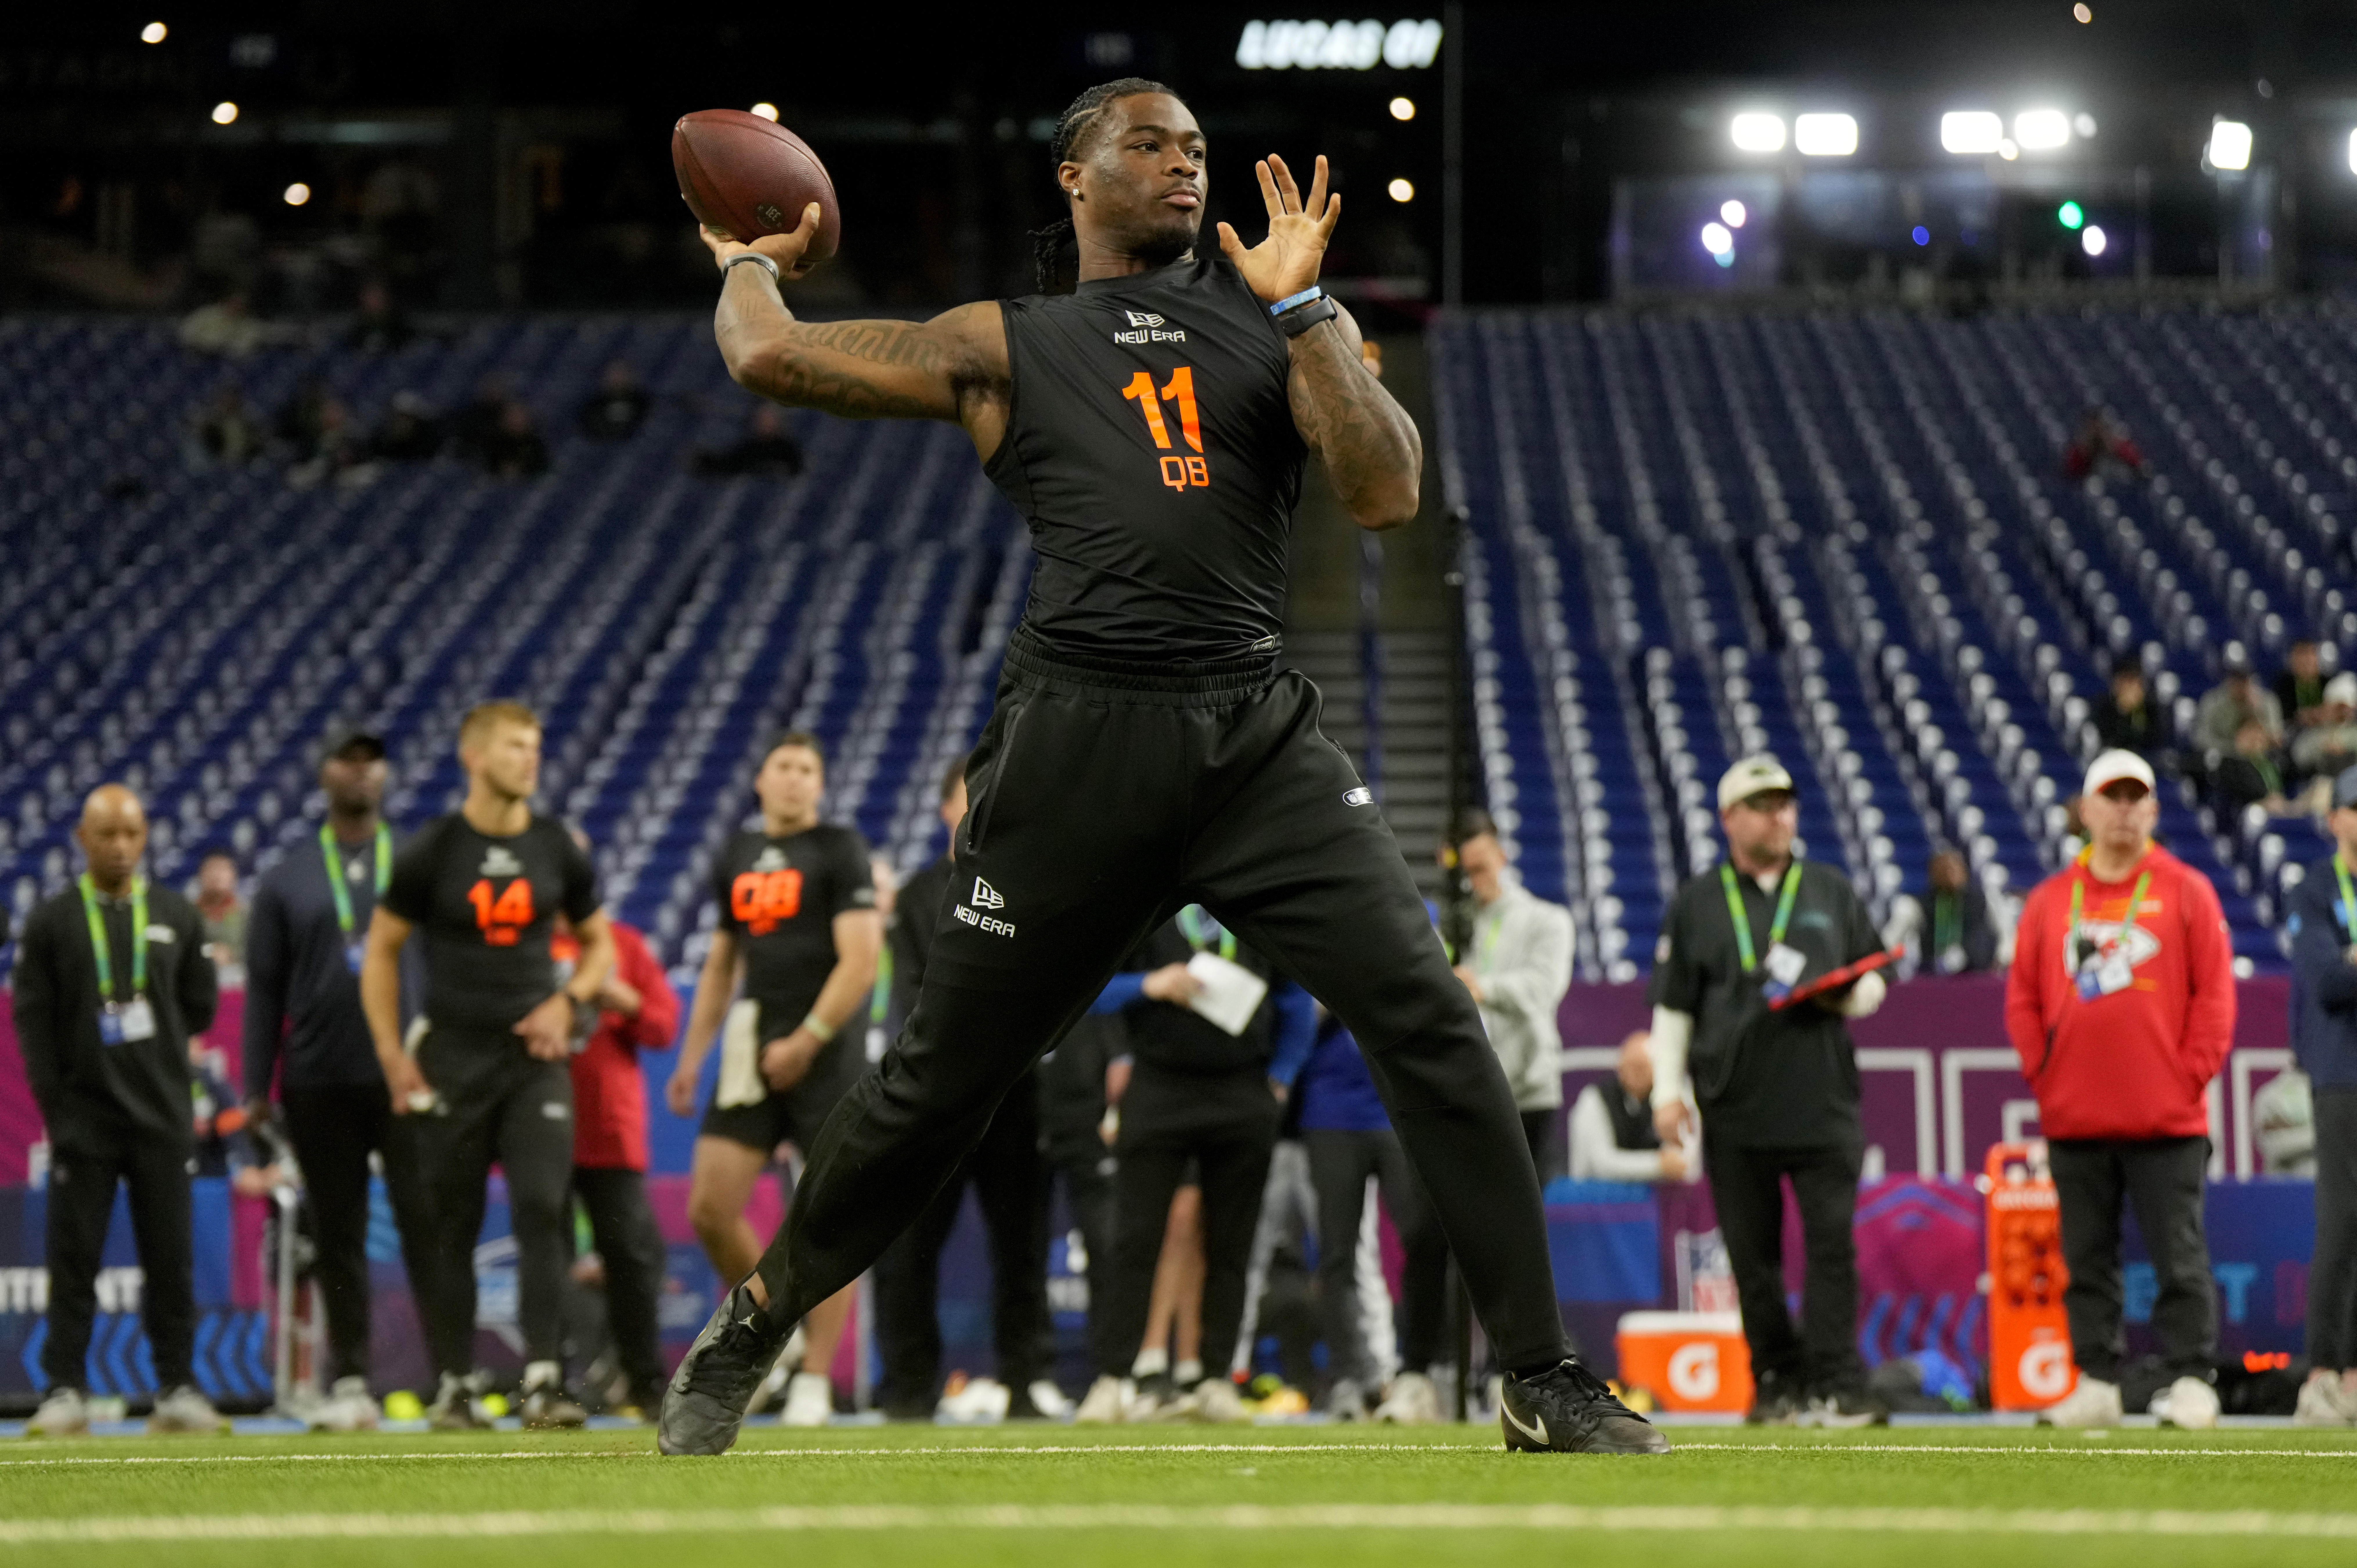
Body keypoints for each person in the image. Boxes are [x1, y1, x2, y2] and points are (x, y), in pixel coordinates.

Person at [662, 75, 1663, 1459]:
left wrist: (1309, 311)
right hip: (1076, 743)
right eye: (1148, 145)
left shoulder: (1282, 325)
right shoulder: (1005, 340)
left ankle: (1542, 1372)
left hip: (1252, 731)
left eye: (1196, 147)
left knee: (1433, 1014)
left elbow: (1384, 492)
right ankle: (756, 1317)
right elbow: (773, 359)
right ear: (1074, 179)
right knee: (937, 1084)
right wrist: (748, 263)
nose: (1183, 165)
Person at [362, 701, 615, 1430]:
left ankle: (543, 1379)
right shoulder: (432, 849)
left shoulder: (556, 846)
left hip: (534, 1060)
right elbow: (380, 950)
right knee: (452, 1221)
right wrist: (391, 1053)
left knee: (543, 1207)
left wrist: (570, 1002)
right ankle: (455, 1383)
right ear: (473, 756)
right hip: (451, 1059)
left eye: (535, 746)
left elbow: (598, 944)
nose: (530, 758)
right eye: (514, 747)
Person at [1648, 756, 1889, 1426]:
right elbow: (1673, 1011)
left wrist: (1849, 993)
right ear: (1728, 818)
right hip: (1735, 1106)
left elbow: (1873, 980)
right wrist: (1668, 1094)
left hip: (1823, 1102)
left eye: (1785, 802)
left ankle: (1838, 1379)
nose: (1778, 814)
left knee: (1832, 1245)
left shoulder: (1829, 888)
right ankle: (1775, 1378)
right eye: (1760, 803)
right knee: (1752, 1258)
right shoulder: (1697, 900)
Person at [2005, 748, 2234, 1430]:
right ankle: (2096, 1379)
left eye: (2138, 797)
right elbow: (2021, 996)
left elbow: (2215, 996)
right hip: (2075, 1115)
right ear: (2086, 809)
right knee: (2086, 1257)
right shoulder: (2050, 899)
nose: (2126, 809)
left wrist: (2187, 1072)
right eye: (2113, 796)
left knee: (2179, 1253)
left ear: (2155, 810)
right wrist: (2043, 1072)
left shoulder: (2187, 889)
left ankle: (2192, 1374)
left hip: (2166, 1117)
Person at [665, 732, 880, 1427]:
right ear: (760, 779)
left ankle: (817, 1378)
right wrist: (692, 1057)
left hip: (825, 1054)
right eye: (784, 767)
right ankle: (771, 1327)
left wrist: (809, 1037)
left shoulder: (839, 847)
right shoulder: (735, 853)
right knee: (709, 1204)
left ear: (820, 784)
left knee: (829, 1216)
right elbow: (723, 965)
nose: (795, 779)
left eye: (808, 769)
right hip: (751, 1053)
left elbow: (862, 958)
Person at [242, 730, 441, 1434]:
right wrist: (252, 1086)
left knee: (429, 1225)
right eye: (347, 760)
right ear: (324, 772)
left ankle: (454, 1379)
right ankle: (350, 1377)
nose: (360, 770)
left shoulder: (418, 862)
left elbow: (446, 967)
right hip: (318, 1078)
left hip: (407, 1075)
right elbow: (263, 991)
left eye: (371, 760)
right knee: (339, 1234)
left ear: (385, 773)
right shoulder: (288, 876)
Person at [15, 785, 226, 1437]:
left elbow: (200, 1008)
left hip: (162, 1118)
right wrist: (59, 1107)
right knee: (73, 1261)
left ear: (146, 836)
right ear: (81, 838)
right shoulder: (53, 920)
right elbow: (34, 1022)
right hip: (84, 1122)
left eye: (131, 833)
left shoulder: (175, 914)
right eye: (106, 833)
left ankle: (177, 1387)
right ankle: (63, 1390)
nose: (120, 846)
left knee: (171, 1259)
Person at [871, 758, 1061, 1422]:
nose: (982, 806)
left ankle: (1027, 1376)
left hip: (1016, 1092)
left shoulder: (1032, 886)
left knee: (1024, 1243)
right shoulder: (920, 896)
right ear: (945, 810)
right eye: (970, 795)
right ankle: (907, 1383)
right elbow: (914, 1001)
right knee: (910, 1245)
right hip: (940, 1101)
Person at [1073, 907, 1314, 1423]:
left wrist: (1280, 1077)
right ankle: (1113, 1377)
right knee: (1134, 1239)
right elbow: (1092, 990)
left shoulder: (1256, 914)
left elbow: (1296, 1001)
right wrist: (1150, 983)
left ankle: (1213, 1378)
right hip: (1159, 1086)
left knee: (1232, 1243)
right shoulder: (1150, 910)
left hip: (1242, 1089)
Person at [557, 849, 681, 1422]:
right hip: (540, 1126)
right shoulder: (526, 943)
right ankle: (554, 1381)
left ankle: (645, 1380)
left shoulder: (623, 944)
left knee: (631, 1260)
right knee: (545, 1257)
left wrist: (623, 1000)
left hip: (610, 1130)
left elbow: (663, 1025)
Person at [1295, 1010, 1450, 1422]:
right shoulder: (1311, 948)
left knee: (1423, 1240)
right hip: (1329, 1111)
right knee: (1336, 1251)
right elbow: (1291, 1019)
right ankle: (1351, 1375)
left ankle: (1420, 1371)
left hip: (1397, 1106)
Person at [2285, 766, 2357, 1425]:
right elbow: (2328, 979)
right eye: (2354, 808)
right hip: (2340, 1072)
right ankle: (2322, 1372)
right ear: (2334, 818)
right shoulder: (2313, 888)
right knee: (2340, 1221)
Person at [1447, 810, 1574, 1181]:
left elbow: (1543, 989)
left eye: (1481, 869)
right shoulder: (1456, 923)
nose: (1473, 882)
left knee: (1524, 1220)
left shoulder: (1547, 921)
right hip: (1470, 1093)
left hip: (1527, 1091)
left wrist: (1481, 988)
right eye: (1465, 873)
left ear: (1502, 857)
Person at [1568, 1031, 1692, 1184]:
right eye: (1628, 1066)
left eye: (1642, 1067)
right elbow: (1601, 1164)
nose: (1633, 1074)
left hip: (1649, 1200)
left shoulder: (1668, 1103)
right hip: (1595, 1200)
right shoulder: (1594, 1099)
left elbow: (1680, 1161)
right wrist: (1657, 1165)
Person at [1880, 846, 2003, 978]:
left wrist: (2002, 957)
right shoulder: (1919, 905)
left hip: (1976, 975)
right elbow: (1891, 941)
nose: (1952, 874)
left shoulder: (1982, 900)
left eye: (1956, 868)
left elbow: (2005, 932)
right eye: (1945, 869)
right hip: (1933, 977)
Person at [2196, 647, 2285, 758]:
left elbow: (2277, 739)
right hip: (2225, 759)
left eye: (2244, 680)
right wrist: (2234, 748)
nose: (2240, 685)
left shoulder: (2267, 701)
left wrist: (2257, 710)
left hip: (2262, 758)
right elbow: (2201, 738)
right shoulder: (2213, 701)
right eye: (2236, 679)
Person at [2091, 656, 2172, 764]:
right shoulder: (2103, 708)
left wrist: (2136, 712)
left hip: (2144, 766)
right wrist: (2124, 712)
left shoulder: (2152, 709)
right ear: (2117, 684)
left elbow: (2155, 744)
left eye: (2136, 682)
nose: (2132, 688)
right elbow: (2108, 742)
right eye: (2127, 681)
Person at [2214, 717, 2295, 821]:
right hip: (2244, 817)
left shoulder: (2271, 765)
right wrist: (2264, 804)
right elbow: (2232, 803)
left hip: (2278, 810)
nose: (2257, 739)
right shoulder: (2229, 765)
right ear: (2239, 736)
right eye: (2251, 734)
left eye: (2259, 734)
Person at [694, 405, 806, 477]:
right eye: (762, 420)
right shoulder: (749, 447)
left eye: (770, 420)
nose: (766, 424)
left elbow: (796, 471)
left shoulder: (787, 448)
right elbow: (729, 464)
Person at [2291, 673, 2357, 786]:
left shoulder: (2354, 731)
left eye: (2347, 707)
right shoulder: (2317, 731)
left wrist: (2345, 748)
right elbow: (2299, 757)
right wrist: (2322, 748)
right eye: (2339, 707)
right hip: (2324, 784)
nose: (2344, 712)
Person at [194, 849, 247, 970]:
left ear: (235, 876)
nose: (217, 875)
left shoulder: (248, 915)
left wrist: (232, 955)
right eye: (211, 869)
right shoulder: (188, 915)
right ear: (200, 876)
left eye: (223, 869)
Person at [577, 360, 650, 442]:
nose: (618, 378)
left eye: (622, 373)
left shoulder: (642, 403)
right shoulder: (595, 405)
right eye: (614, 374)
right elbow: (592, 429)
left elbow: (644, 429)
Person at [192, 385, 265, 465]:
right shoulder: (213, 421)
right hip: (226, 463)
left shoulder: (247, 418)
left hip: (243, 461)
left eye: (231, 400)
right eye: (224, 401)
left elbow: (254, 445)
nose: (228, 404)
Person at [479, 401, 548, 479]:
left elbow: (540, 467)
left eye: (519, 417)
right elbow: (490, 466)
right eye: (512, 417)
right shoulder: (497, 442)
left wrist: (520, 469)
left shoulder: (533, 443)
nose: (516, 420)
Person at [2277, 640, 2331, 736]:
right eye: (2300, 656)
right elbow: (2283, 717)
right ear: (2292, 661)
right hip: (2296, 734)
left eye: (2309, 655)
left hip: (2327, 731)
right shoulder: (2282, 686)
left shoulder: (2330, 683)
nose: (2305, 662)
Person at [369, 393, 443, 462]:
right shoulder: (381, 443)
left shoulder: (428, 444)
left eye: (408, 419)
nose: (403, 423)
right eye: (400, 418)